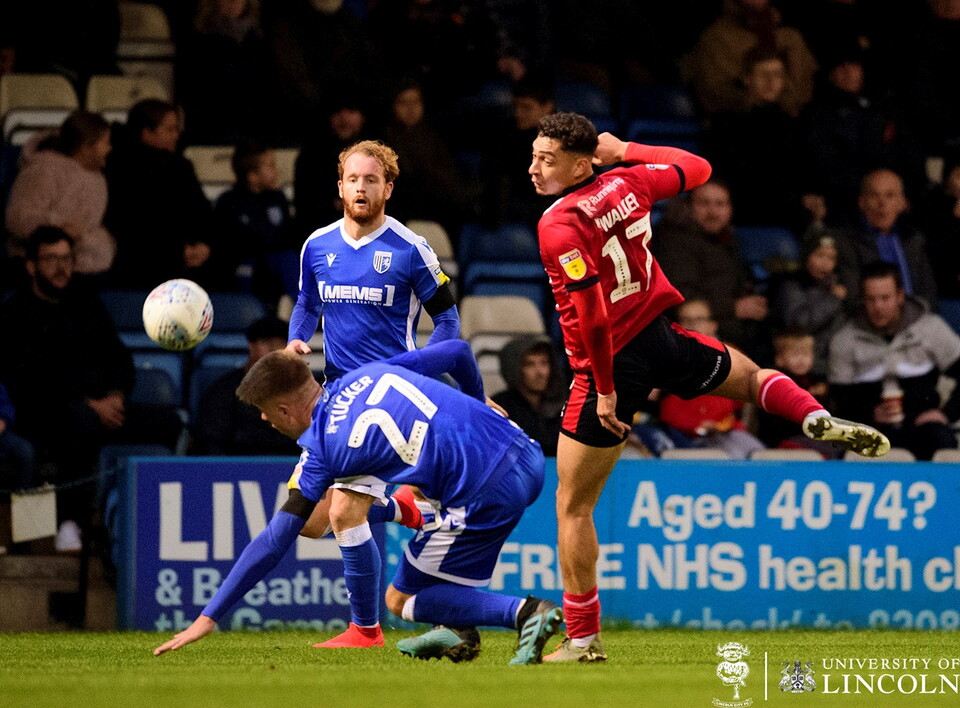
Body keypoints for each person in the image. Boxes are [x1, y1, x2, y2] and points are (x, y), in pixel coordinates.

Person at [527, 112, 891, 662]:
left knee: (573, 507)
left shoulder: (558, 224)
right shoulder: (629, 181)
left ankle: (583, 639)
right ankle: (811, 413)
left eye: (546, 160)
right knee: (751, 376)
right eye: (534, 156)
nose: (534, 168)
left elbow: (594, 317)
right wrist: (626, 148)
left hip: (611, 364)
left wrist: (603, 388)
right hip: (660, 339)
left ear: (580, 166)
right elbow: (697, 168)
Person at [153, 341, 563, 665]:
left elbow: (275, 540)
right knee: (441, 572)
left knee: (401, 600)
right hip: (526, 455)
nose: (264, 420)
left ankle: (527, 613)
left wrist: (208, 616)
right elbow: (457, 351)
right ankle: (458, 633)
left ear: (283, 409)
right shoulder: (367, 373)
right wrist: (475, 400)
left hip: (483, 491)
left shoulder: (324, 450)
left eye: (264, 411)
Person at [0, 227, 184, 549]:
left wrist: (116, 395)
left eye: (66, 258)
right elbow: (27, 381)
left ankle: (152, 518)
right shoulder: (14, 313)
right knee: (79, 421)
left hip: (103, 407)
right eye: (51, 259)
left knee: (169, 422)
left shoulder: (85, 303)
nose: (61, 267)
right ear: (31, 265)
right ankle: (71, 523)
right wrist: (89, 404)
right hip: (43, 413)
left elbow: (119, 357)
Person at [286, 140, 460, 383]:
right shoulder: (316, 245)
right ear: (340, 187)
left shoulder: (412, 249)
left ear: (388, 189)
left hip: (394, 389)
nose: (360, 188)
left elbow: (448, 320)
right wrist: (295, 339)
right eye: (352, 179)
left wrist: (423, 369)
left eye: (370, 180)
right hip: (339, 390)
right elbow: (307, 305)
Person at [828, 262, 960, 461]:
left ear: (900, 296)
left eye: (885, 298)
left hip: (923, 427)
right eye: (871, 299)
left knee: (941, 440)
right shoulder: (844, 340)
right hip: (870, 429)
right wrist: (870, 414)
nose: (878, 307)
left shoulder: (931, 329)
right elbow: (839, 400)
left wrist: (946, 414)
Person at [654, 178, 772, 364]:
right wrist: (734, 308)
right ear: (689, 206)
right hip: (696, 340)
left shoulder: (728, 239)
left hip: (739, 337)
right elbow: (680, 296)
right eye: (705, 203)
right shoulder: (674, 240)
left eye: (720, 204)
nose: (713, 212)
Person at [104, 99, 216, 290]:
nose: (176, 135)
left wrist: (205, 245)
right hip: (138, 265)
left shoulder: (181, 167)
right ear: (146, 132)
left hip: (188, 263)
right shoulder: (118, 168)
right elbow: (129, 222)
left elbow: (202, 212)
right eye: (169, 129)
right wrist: (176, 251)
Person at [5, 110, 115, 286]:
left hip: (87, 269)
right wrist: (59, 231)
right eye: (106, 143)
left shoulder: (97, 178)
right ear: (86, 147)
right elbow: (19, 217)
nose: (109, 149)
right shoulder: (44, 170)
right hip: (42, 271)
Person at [656, 300, 766, 459]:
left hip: (726, 430)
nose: (692, 324)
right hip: (679, 433)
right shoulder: (665, 356)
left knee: (760, 455)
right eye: (686, 320)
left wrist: (722, 424)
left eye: (699, 319)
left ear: (713, 325)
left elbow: (744, 399)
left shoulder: (731, 354)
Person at [192, 316, 303, 456]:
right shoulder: (225, 391)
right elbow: (211, 444)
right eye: (267, 343)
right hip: (237, 466)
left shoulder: (301, 392)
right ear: (252, 346)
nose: (274, 350)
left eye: (281, 344)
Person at [831, 168, 938, 312]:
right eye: (874, 196)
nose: (882, 203)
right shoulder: (846, 242)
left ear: (902, 203)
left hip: (916, 318)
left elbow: (929, 294)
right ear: (861, 202)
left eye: (890, 195)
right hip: (870, 318)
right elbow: (853, 298)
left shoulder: (914, 240)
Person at [211, 138, 299, 308]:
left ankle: (309, 312)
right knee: (247, 269)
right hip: (243, 263)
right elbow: (229, 243)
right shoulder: (229, 202)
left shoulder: (277, 199)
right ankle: (249, 313)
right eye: (270, 166)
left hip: (274, 260)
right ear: (252, 176)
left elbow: (286, 235)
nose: (276, 170)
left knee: (289, 259)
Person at [771, 232, 848, 374]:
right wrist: (832, 300)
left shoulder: (836, 285)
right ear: (807, 256)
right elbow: (798, 324)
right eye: (819, 255)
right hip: (799, 365)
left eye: (831, 258)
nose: (825, 263)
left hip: (830, 363)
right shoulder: (791, 286)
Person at [755, 328, 835, 457]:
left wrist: (822, 397)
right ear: (779, 359)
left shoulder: (819, 383)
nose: (801, 360)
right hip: (782, 439)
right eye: (795, 354)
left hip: (814, 438)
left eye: (806, 354)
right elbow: (772, 423)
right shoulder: (775, 383)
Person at [491, 334, 565, 456]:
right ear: (514, 369)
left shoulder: (562, 405)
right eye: (530, 364)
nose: (540, 372)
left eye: (544, 363)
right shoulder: (500, 408)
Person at [0, 379, 36, 492]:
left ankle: (24, 493)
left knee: (25, 450)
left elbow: (6, 406)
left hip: (2, 437)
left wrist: (3, 419)